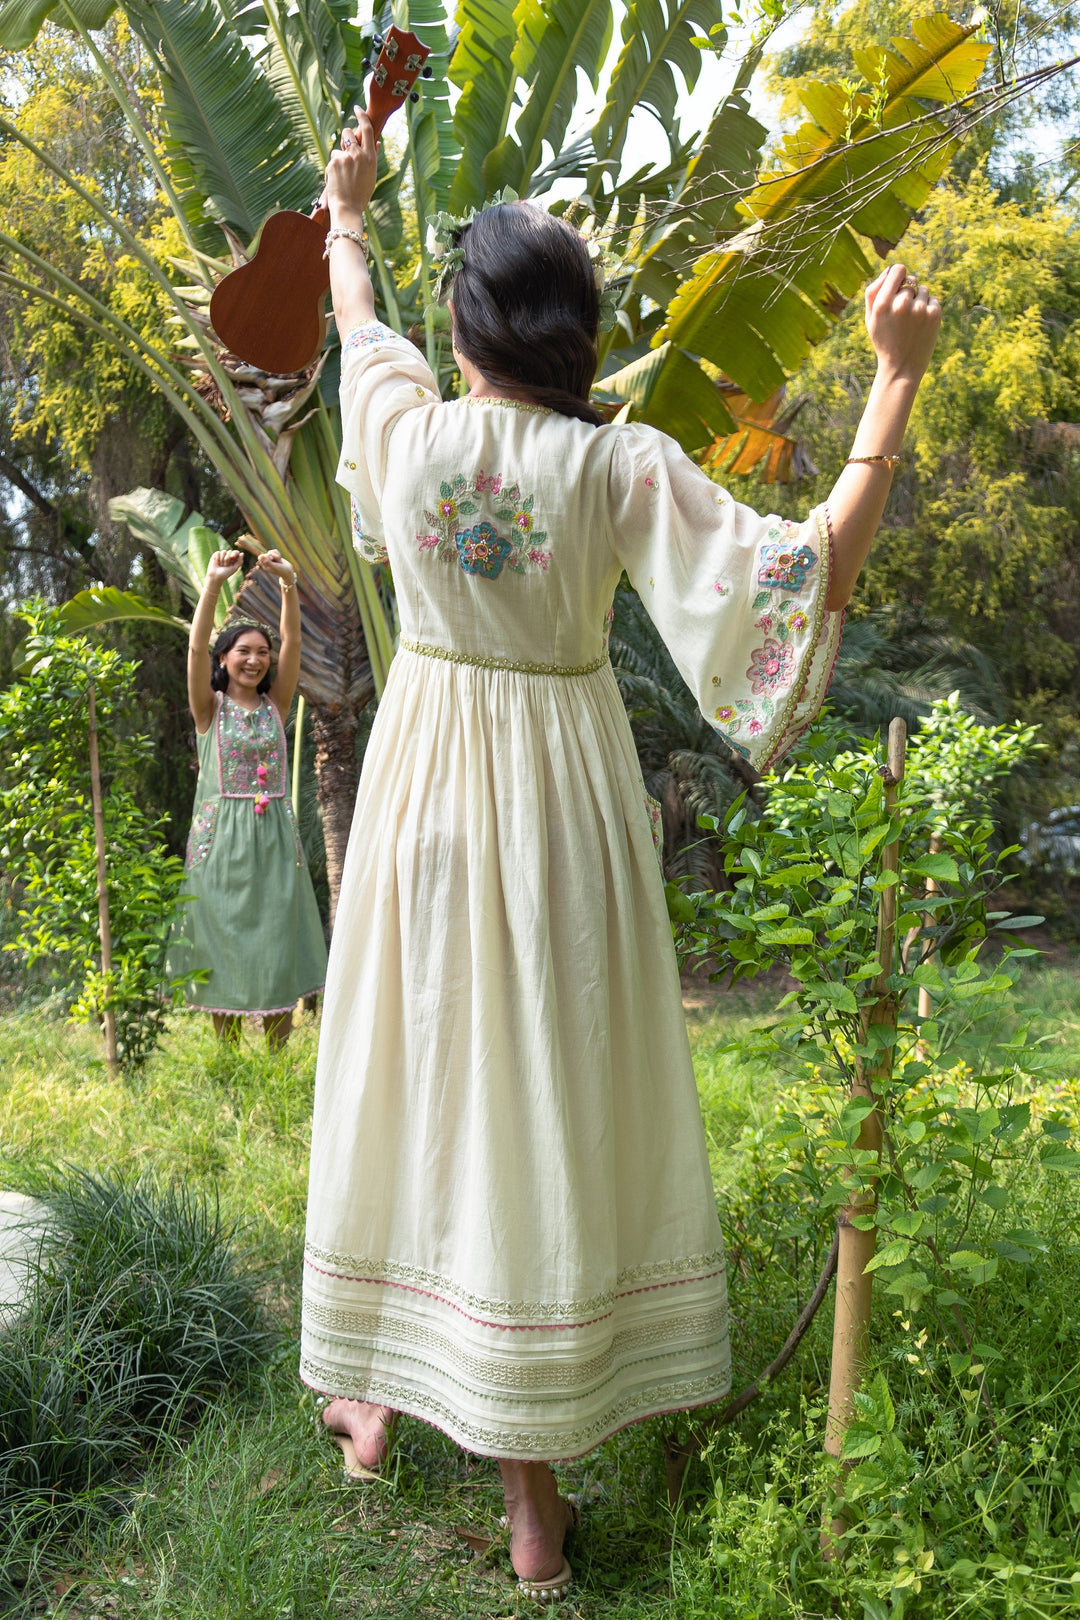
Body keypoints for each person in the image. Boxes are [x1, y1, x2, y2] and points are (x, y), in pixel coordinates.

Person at [301, 110, 941, 1600]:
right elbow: (807, 575)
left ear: (463, 331)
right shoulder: (617, 468)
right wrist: (893, 384)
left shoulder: (403, 434)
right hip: (564, 798)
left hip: (422, 796)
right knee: (528, 1101)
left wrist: (348, 206)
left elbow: (352, 311)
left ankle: (386, 1401)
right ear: (576, 337)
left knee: (420, 1072)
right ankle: (530, 1501)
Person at [169, 548, 328, 1048]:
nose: (256, 660)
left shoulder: (275, 707)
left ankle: (278, 1059)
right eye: (244, 651)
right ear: (224, 659)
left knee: (277, 944)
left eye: (262, 652)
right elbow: (194, 653)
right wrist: (213, 584)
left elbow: (294, 644)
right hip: (220, 847)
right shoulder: (208, 710)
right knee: (225, 946)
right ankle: (228, 1058)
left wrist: (288, 585)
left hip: (276, 844)